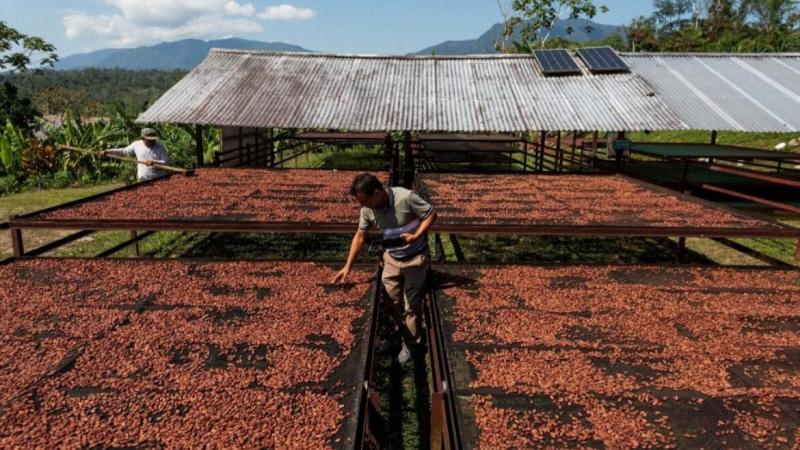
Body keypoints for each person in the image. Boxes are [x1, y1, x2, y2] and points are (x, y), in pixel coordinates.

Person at [333, 173, 437, 364]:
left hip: (414, 259)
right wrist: (347, 266)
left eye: (365, 201)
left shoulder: (405, 198)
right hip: (391, 259)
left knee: (412, 305)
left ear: (377, 192)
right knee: (391, 301)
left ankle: (412, 345)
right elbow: (360, 236)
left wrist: (416, 234)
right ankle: (399, 333)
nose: (363, 206)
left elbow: (431, 214)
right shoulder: (367, 210)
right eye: (360, 203)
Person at [101, 128, 171, 182]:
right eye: (149, 140)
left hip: (159, 178)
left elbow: (167, 161)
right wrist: (107, 151)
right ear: (143, 138)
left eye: (153, 139)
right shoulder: (136, 145)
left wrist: (154, 162)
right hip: (143, 179)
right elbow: (123, 151)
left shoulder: (160, 146)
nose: (152, 141)